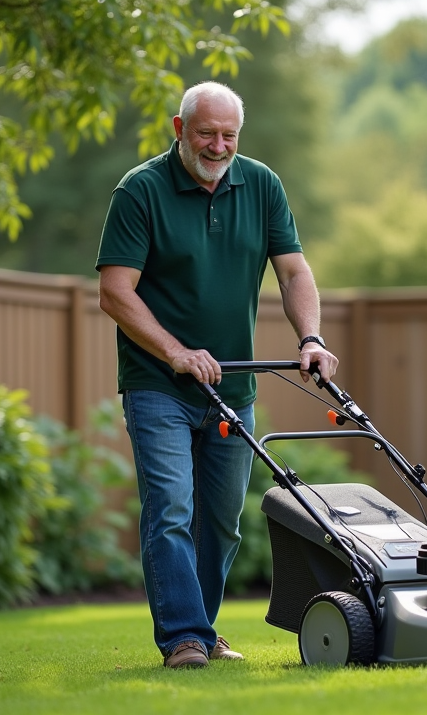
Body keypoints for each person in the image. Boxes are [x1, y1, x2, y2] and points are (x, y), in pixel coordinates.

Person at [96, 82, 338, 669]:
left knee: (223, 525)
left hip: (232, 388)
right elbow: (114, 292)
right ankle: (183, 638)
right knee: (172, 509)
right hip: (160, 386)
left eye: (229, 135)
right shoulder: (141, 191)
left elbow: (294, 272)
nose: (218, 145)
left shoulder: (261, 185)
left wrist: (311, 337)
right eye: (206, 132)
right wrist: (176, 352)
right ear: (179, 128)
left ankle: (201, 631)